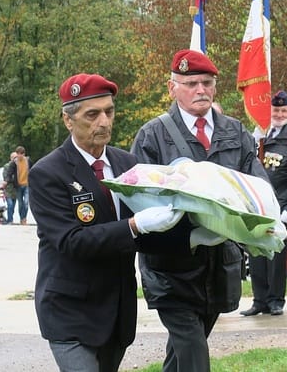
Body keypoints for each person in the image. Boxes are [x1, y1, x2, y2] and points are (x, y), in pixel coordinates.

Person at [29, 73, 184, 372]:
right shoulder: (48, 173)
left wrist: (191, 236)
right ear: (68, 120)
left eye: (109, 111)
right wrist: (135, 225)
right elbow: (71, 241)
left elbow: (146, 234)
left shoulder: (127, 164)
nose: (104, 121)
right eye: (92, 114)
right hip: (70, 308)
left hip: (116, 310)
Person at [130, 49, 268, 372]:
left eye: (207, 82)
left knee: (181, 356)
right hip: (171, 270)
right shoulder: (152, 136)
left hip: (218, 268)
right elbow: (139, 202)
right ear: (172, 88)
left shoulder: (235, 131)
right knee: (194, 356)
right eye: (191, 83)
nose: (201, 90)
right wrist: (190, 235)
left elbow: (257, 186)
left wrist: (259, 225)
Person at [240, 90, 287, 316]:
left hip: (281, 208)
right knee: (257, 255)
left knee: (277, 258)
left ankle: (275, 300)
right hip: (258, 207)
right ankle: (259, 300)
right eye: (275, 110)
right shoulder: (260, 136)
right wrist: (253, 142)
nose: (278, 114)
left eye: (282, 110)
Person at [6, 146, 32, 225]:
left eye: (21, 154)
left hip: (27, 184)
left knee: (26, 203)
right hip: (18, 186)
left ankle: (24, 219)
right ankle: (21, 218)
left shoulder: (28, 161)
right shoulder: (14, 163)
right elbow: (9, 173)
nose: (19, 156)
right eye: (18, 154)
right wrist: (8, 180)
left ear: (24, 154)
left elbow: (33, 169)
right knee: (20, 204)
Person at [2, 151, 17, 225]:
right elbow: (5, 177)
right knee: (10, 205)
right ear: (11, 158)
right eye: (14, 157)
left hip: (15, 190)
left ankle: (10, 219)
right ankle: (10, 220)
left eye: (16, 157)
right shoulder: (7, 166)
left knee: (13, 207)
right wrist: (13, 179)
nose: (15, 159)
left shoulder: (18, 166)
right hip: (8, 189)